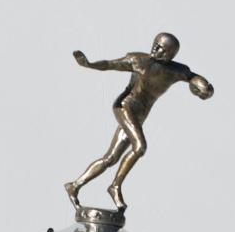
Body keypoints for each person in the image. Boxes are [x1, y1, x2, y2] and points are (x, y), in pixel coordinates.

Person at [65, 32, 213, 213]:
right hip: (125, 107)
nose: (156, 50)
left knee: (110, 158)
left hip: (140, 115)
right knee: (140, 147)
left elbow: (191, 76)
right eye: (155, 44)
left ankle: (74, 185)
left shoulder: (175, 71)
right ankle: (115, 187)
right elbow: (111, 64)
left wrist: (205, 87)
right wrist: (89, 64)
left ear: (170, 55)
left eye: (162, 50)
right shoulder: (139, 60)